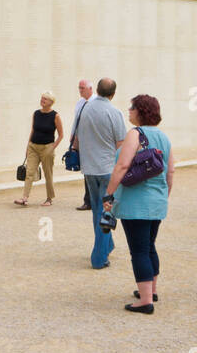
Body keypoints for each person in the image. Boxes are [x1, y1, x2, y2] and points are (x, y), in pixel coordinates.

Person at [103, 94, 173, 314]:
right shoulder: (164, 137)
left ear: (140, 111)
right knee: (149, 246)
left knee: (139, 250)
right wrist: (164, 195)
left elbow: (122, 166)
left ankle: (145, 301)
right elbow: (170, 171)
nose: (129, 111)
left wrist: (109, 194)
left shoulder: (135, 134)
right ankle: (150, 290)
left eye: (132, 107)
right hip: (157, 202)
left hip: (136, 203)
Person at [76, 77, 126, 269]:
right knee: (106, 211)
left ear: (96, 89)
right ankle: (99, 257)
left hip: (89, 167)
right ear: (113, 94)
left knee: (98, 209)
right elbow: (121, 144)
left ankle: (107, 245)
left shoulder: (85, 108)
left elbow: (78, 137)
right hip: (107, 168)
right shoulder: (114, 112)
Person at [16, 92, 63, 206]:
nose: (42, 100)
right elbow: (33, 130)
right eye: (42, 98)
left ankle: (49, 199)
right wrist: (28, 146)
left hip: (47, 148)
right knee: (29, 172)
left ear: (51, 102)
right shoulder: (36, 113)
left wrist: (52, 148)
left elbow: (61, 134)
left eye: (45, 99)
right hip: (33, 147)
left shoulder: (55, 116)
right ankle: (25, 198)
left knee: (48, 174)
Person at [68, 79, 95, 211]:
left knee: (92, 170)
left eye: (82, 88)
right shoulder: (80, 103)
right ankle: (88, 200)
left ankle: (94, 200)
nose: (80, 90)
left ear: (90, 88)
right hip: (81, 140)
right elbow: (76, 121)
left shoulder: (95, 102)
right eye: (79, 88)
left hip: (93, 142)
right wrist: (72, 136)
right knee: (85, 170)